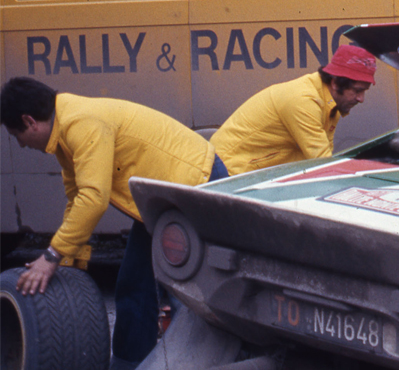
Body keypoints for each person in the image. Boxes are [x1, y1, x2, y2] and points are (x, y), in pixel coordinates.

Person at [1, 77, 229, 370]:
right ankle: (128, 363)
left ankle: (200, 363)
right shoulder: (64, 135)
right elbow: (76, 198)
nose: (20, 145)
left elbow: (94, 198)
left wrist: (51, 256)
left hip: (195, 185)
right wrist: (70, 261)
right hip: (161, 200)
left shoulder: (81, 123)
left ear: (29, 121)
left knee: (187, 292)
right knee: (135, 286)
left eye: (16, 135)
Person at [211, 44, 376, 175]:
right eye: (357, 90)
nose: (361, 99)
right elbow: (323, 165)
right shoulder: (304, 101)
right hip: (228, 172)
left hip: (249, 174)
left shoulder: (329, 103)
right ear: (335, 83)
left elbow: (320, 163)